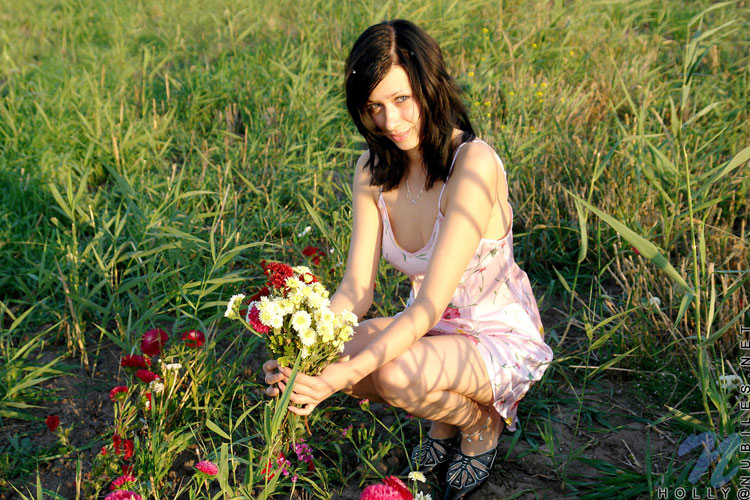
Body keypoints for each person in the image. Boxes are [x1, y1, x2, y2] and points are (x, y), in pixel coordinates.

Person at [262, 19, 553, 499]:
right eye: (374, 107)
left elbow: (428, 306)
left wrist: (339, 378)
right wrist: (302, 356)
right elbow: (357, 289)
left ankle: (478, 423)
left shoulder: (472, 164)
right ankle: (445, 418)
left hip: (495, 334)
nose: (390, 122)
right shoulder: (372, 170)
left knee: (393, 375)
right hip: (430, 332)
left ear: (429, 87)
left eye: (402, 100)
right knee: (335, 354)